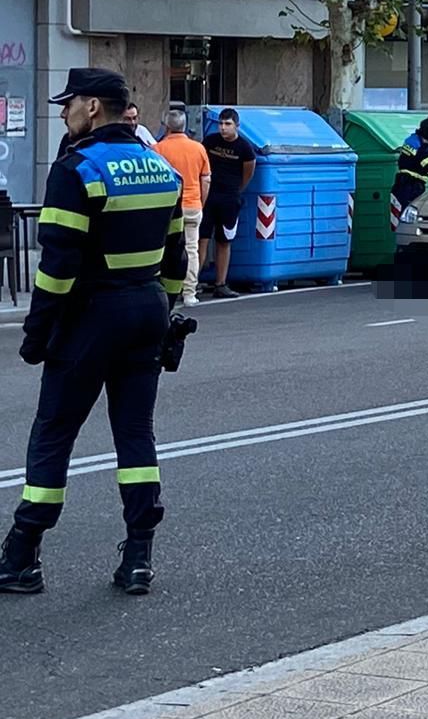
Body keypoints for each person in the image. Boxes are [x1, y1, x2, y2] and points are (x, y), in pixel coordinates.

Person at [0, 68, 186, 596]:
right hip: (146, 310)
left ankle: (21, 555)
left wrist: (37, 334)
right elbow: (176, 257)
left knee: (54, 432)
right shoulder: (160, 167)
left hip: (89, 317)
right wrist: (166, 311)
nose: (62, 113)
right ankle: (138, 560)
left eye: (69, 104)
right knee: (135, 433)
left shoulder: (76, 169)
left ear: (93, 108)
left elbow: (56, 267)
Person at [199, 109, 258, 300]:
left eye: (228, 124)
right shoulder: (210, 141)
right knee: (201, 239)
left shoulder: (244, 148)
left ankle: (221, 283)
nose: (223, 128)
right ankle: (192, 283)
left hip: (230, 199)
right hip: (208, 197)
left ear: (236, 126)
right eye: (221, 124)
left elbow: (248, 172)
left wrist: (237, 189)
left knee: (224, 241)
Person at [154, 111, 210, 308]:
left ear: (167, 127)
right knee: (192, 249)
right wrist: (201, 202)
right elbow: (206, 179)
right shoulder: (198, 148)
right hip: (193, 204)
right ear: (184, 126)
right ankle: (189, 292)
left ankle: (167, 290)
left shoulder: (157, 149)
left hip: (169, 207)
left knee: (165, 249)